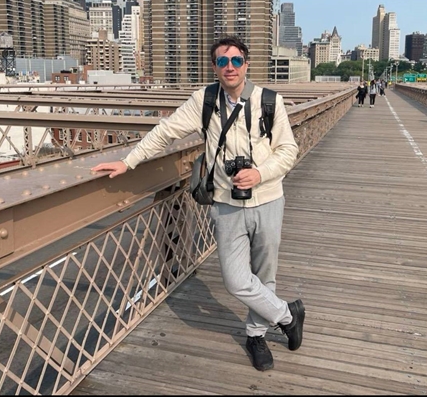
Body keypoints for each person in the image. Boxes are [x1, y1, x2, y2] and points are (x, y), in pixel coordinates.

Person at [91, 35, 305, 372]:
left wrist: (259, 173)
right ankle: (287, 315)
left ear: (246, 64)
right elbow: (165, 132)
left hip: (267, 199)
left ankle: (256, 335)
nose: (230, 67)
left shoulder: (269, 101)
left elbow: (288, 150)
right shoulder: (203, 101)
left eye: (236, 60)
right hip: (226, 203)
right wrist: (128, 161)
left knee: (264, 274)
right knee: (235, 280)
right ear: (214, 67)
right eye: (222, 61)